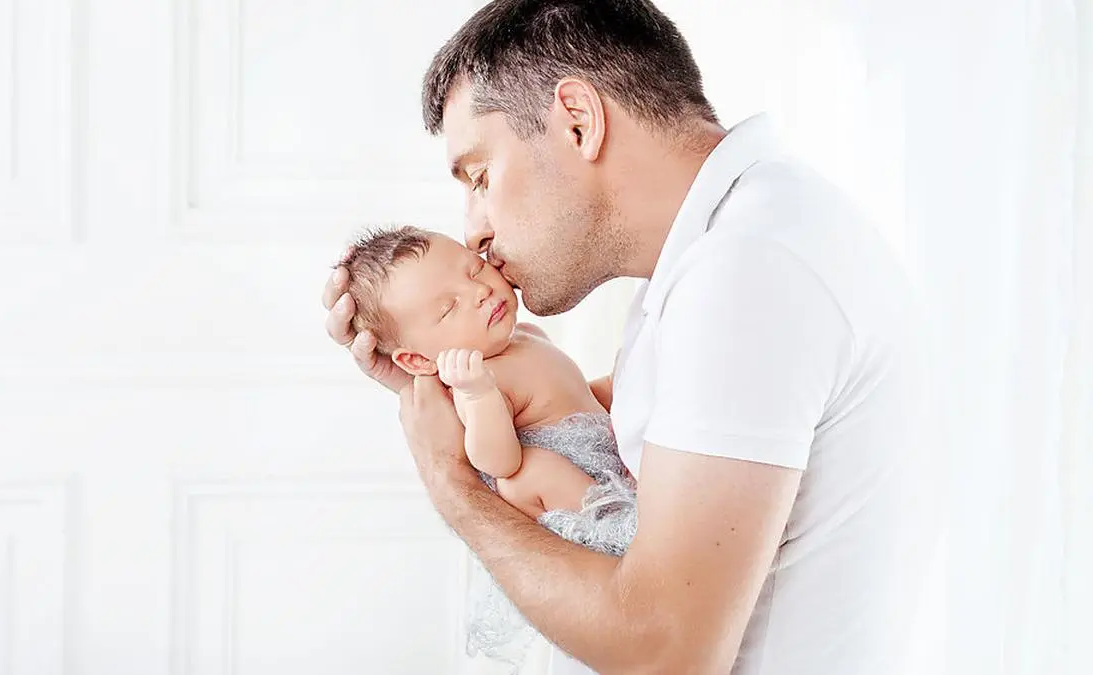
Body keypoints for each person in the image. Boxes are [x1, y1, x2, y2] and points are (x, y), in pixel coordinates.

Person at [322, 1, 930, 673]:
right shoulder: (723, 250)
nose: (475, 231)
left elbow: (664, 651)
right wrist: (433, 380)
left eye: (481, 177)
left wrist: (451, 480)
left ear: (578, 122)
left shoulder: (748, 270)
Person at [335, 225, 639, 668]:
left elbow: (569, 398)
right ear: (419, 360)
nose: (478, 292)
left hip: (593, 448)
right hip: (561, 489)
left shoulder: (527, 336)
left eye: (473, 269)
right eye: (448, 308)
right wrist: (478, 395)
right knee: (526, 471)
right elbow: (497, 459)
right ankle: (622, 527)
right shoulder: (477, 382)